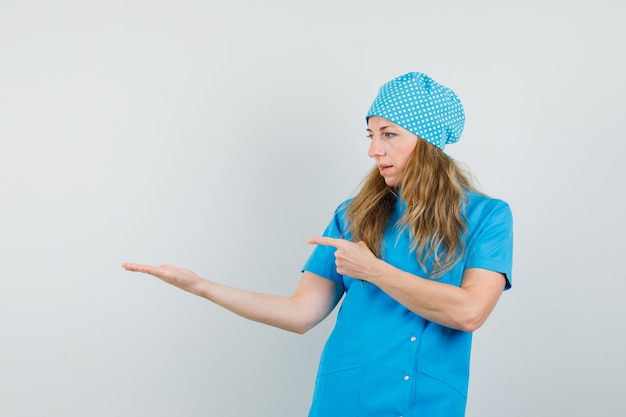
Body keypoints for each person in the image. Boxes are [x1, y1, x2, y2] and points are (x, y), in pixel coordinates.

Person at [123, 72, 513, 417]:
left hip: (432, 402)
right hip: (346, 400)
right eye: (371, 135)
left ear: (428, 142)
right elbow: (300, 313)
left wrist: (373, 270)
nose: (374, 150)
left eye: (389, 134)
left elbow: (469, 313)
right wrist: (202, 287)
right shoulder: (354, 215)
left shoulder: (487, 217)